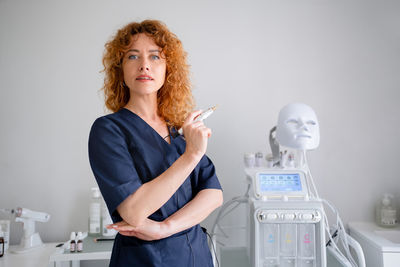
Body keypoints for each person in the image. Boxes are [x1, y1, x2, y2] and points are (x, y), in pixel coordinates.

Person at [88, 20, 223, 267]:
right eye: (132, 56)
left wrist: (165, 228)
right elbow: (134, 211)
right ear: (120, 69)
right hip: (144, 259)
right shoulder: (108, 130)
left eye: (155, 57)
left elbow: (213, 194)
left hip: (195, 256)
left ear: (167, 69)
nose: (144, 65)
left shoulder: (181, 130)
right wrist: (190, 156)